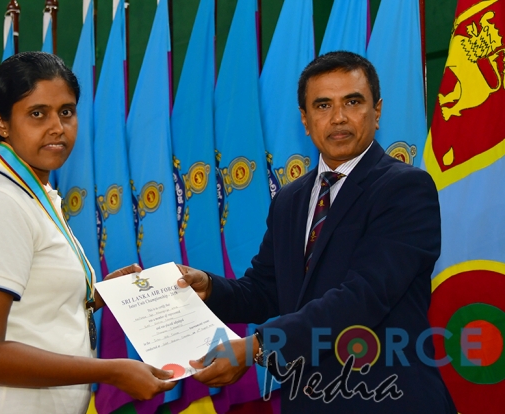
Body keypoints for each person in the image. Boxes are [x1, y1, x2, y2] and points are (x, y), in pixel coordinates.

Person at [178, 51, 456, 413]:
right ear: (305, 120)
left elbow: (363, 297)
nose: (338, 117)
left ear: (377, 111)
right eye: (323, 105)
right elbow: (266, 290)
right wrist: (209, 288)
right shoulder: (290, 200)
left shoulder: (405, 189)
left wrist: (256, 347)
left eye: (353, 102)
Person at [0, 51, 175, 413]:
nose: (57, 127)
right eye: (38, 113)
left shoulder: (30, 193)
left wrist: (98, 295)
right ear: (1, 123)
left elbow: (35, 309)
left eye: (66, 112)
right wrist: (112, 371)